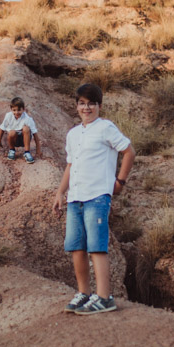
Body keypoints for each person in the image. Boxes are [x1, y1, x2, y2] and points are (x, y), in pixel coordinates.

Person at [52, 83, 135, 314]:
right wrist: (60, 192)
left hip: (97, 195)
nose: (86, 108)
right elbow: (71, 165)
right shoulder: (73, 134)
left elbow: (129, 151)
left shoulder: (105, 127)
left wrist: (120, 181)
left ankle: (105, 297)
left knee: (96, 247)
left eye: (91, 103)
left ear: (99, 106)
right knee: (76, 246)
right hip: (75, 196)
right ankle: (83, 293)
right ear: (76, 105)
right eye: (82, 103)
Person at [0, 96, 41, 163]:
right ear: (11, 109)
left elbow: (35, 134)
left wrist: (38, 149)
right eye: (14, 110)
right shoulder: (8, 116)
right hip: (14, 139)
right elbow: (2, 128)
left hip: (24, 139)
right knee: (11, 132)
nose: (17, 112)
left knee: (26, 128)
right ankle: (12, 150)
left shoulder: (28, 119)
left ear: (23, 109)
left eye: (19, 110)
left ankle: (27, 152)